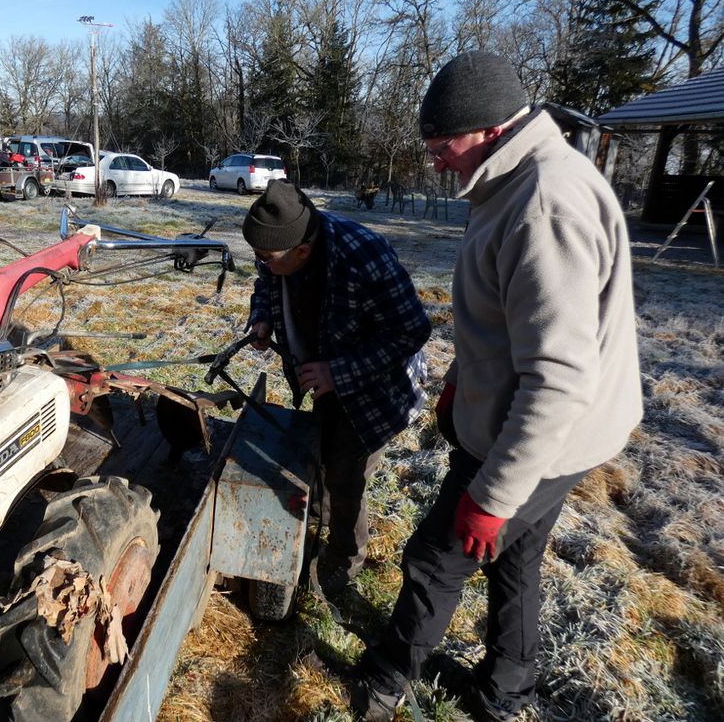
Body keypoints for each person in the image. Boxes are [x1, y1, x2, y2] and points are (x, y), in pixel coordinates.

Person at [352, 51, 642, 721]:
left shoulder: (544, 204)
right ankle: (506, 692)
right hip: (540, 422)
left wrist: (494, 494)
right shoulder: (511, 180)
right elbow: (512, 325)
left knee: (436, 558)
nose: (435, 161)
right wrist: (463, 382)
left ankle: (387, 680)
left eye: (441, 145)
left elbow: (560, 379)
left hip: (545, 431)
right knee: (517, 559)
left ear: (489, 127)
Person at [243, 179, 431, 598]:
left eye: (266, 258)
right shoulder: (281, 247)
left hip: (374, 390)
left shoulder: (364, 256)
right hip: (323, 375)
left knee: (346, 478)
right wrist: (262, 317)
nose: (261, 264)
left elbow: (413, 330)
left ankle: (344, 562)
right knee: (323, 458)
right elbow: (266, 283)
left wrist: (338, 373)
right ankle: (321, 523)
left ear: (303, 252)